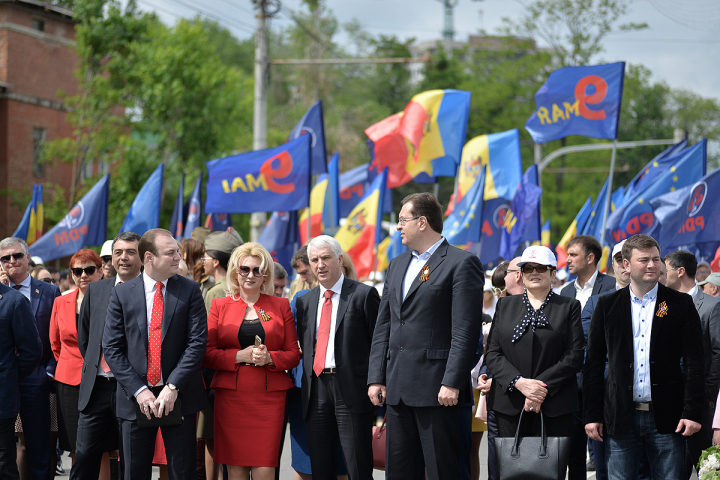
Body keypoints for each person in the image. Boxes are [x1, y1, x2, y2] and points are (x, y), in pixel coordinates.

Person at [367, 192, 484, 479]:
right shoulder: (396, 265)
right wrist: (376, 377)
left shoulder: (461, 263)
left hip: (440, 394)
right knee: (399, 473)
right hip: (398, 392)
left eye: (402, 220)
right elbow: (385, 326)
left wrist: (452, 382)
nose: (397, 227)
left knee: (446, 471)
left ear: (422, 222)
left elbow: (466, 331)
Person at [585, 234, 704, 480]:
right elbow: (594, 364)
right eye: (644, 260)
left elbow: (695, 363)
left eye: (655, 259)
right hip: (620, 417)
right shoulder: (607, 305)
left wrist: (692, 412)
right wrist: (593, 415)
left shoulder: (680, 304)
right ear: (626, 265)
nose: (651, 265)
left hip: (667, 418)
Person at [103, 229, 208, 479]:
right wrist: (140, 391)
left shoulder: (190, 290)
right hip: (135, 399)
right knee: (133, 472)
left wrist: (172, 387)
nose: (178, 258)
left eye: (178, 253)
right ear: (149, 257)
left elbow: (197, 343)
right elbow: (112, 349)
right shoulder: (122, 293)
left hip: (178, 397)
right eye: (171, 253)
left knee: (182, 471)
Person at [203, 242, 300, 480]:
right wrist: (238, 355)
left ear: (265, 273)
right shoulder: (219, 305)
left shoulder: (280, 305)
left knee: (265, 469)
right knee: (235, 471)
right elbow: (206, 352)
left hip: (269, 399)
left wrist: (270, 357)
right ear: (235, 271)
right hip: (231, 398)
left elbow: (293, 354)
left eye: (258, 270)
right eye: (244, 269)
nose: (250, 275)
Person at [295, 236, 380, 480]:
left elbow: (378, 344)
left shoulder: (364, 294)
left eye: (325, 258)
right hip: (316, 391)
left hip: (352, 390)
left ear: (340, 259)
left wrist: (376, 381)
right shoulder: (304, 302)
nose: (320, 265)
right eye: (314, 260)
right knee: (321, 467)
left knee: (357, 466)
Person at [485, 246, 583, 439]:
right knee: (511, 467)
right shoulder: (504, 305)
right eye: (529, 268)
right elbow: (493, 353)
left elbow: (574, 355)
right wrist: (519, 383)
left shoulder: (568, 306)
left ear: (553, 274)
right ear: (521, 274)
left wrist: (538, 389)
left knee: (552, 467)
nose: (534, 273)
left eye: (541, 268)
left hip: (555, 404)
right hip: (509, 403)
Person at [72, 232, 143, 480]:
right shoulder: (96, 291)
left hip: (133, 389)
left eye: (130, 252)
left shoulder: (150, 292)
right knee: (83, 459)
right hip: (97, 387)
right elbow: (86, 339)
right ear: (111, 258)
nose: (123, 258)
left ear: (143, 257)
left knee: (131, 462)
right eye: (118, 253)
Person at [0, 237, 60, 480]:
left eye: (17, 255)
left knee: (38, 444)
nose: (12, 261)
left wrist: (47, 372)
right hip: (4, 382)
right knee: (7, 446)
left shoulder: (49, 291)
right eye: (6, 258)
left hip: (34, 378)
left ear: (27, 258)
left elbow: (56, 338)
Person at [560, 235, 615, 478]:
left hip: (600, 381)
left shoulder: (612, 287)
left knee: (602, 450)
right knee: (573, 451)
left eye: (573, 255)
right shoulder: (564, 291)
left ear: (590, 258)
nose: (567, 260)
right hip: (570, 382)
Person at [663, 250, 720, 479]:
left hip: (701, 401)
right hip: (670, 399)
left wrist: (707, 392)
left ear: (680, 271)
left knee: (705, 463)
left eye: (664, 269)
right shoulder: (663, 304)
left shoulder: (710, 305)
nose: (660, 273)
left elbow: (717, 352)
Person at [50, 249, 103, 469]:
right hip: (69, 383)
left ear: (100, 272)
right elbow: (55, 343)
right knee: (74, 446)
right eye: (77, 271)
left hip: (101, 380)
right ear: (71, 274)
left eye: (89, 269)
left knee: (102, 447)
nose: (83, 275)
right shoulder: (61, 303)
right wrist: (72, 364)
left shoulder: (111, 299)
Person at [199, 231, 241, 480]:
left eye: (205, 256)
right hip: (228, 374)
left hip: (217, 376)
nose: (202, 261)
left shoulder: (215, 292)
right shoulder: (219, 289)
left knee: (214, 441)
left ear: (215, 260)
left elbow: (205, 341)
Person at [0, 282, 42, 478]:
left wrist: (9, 375)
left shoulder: (13, 301)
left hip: (2, 399)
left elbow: (31, 351)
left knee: (3, 464)